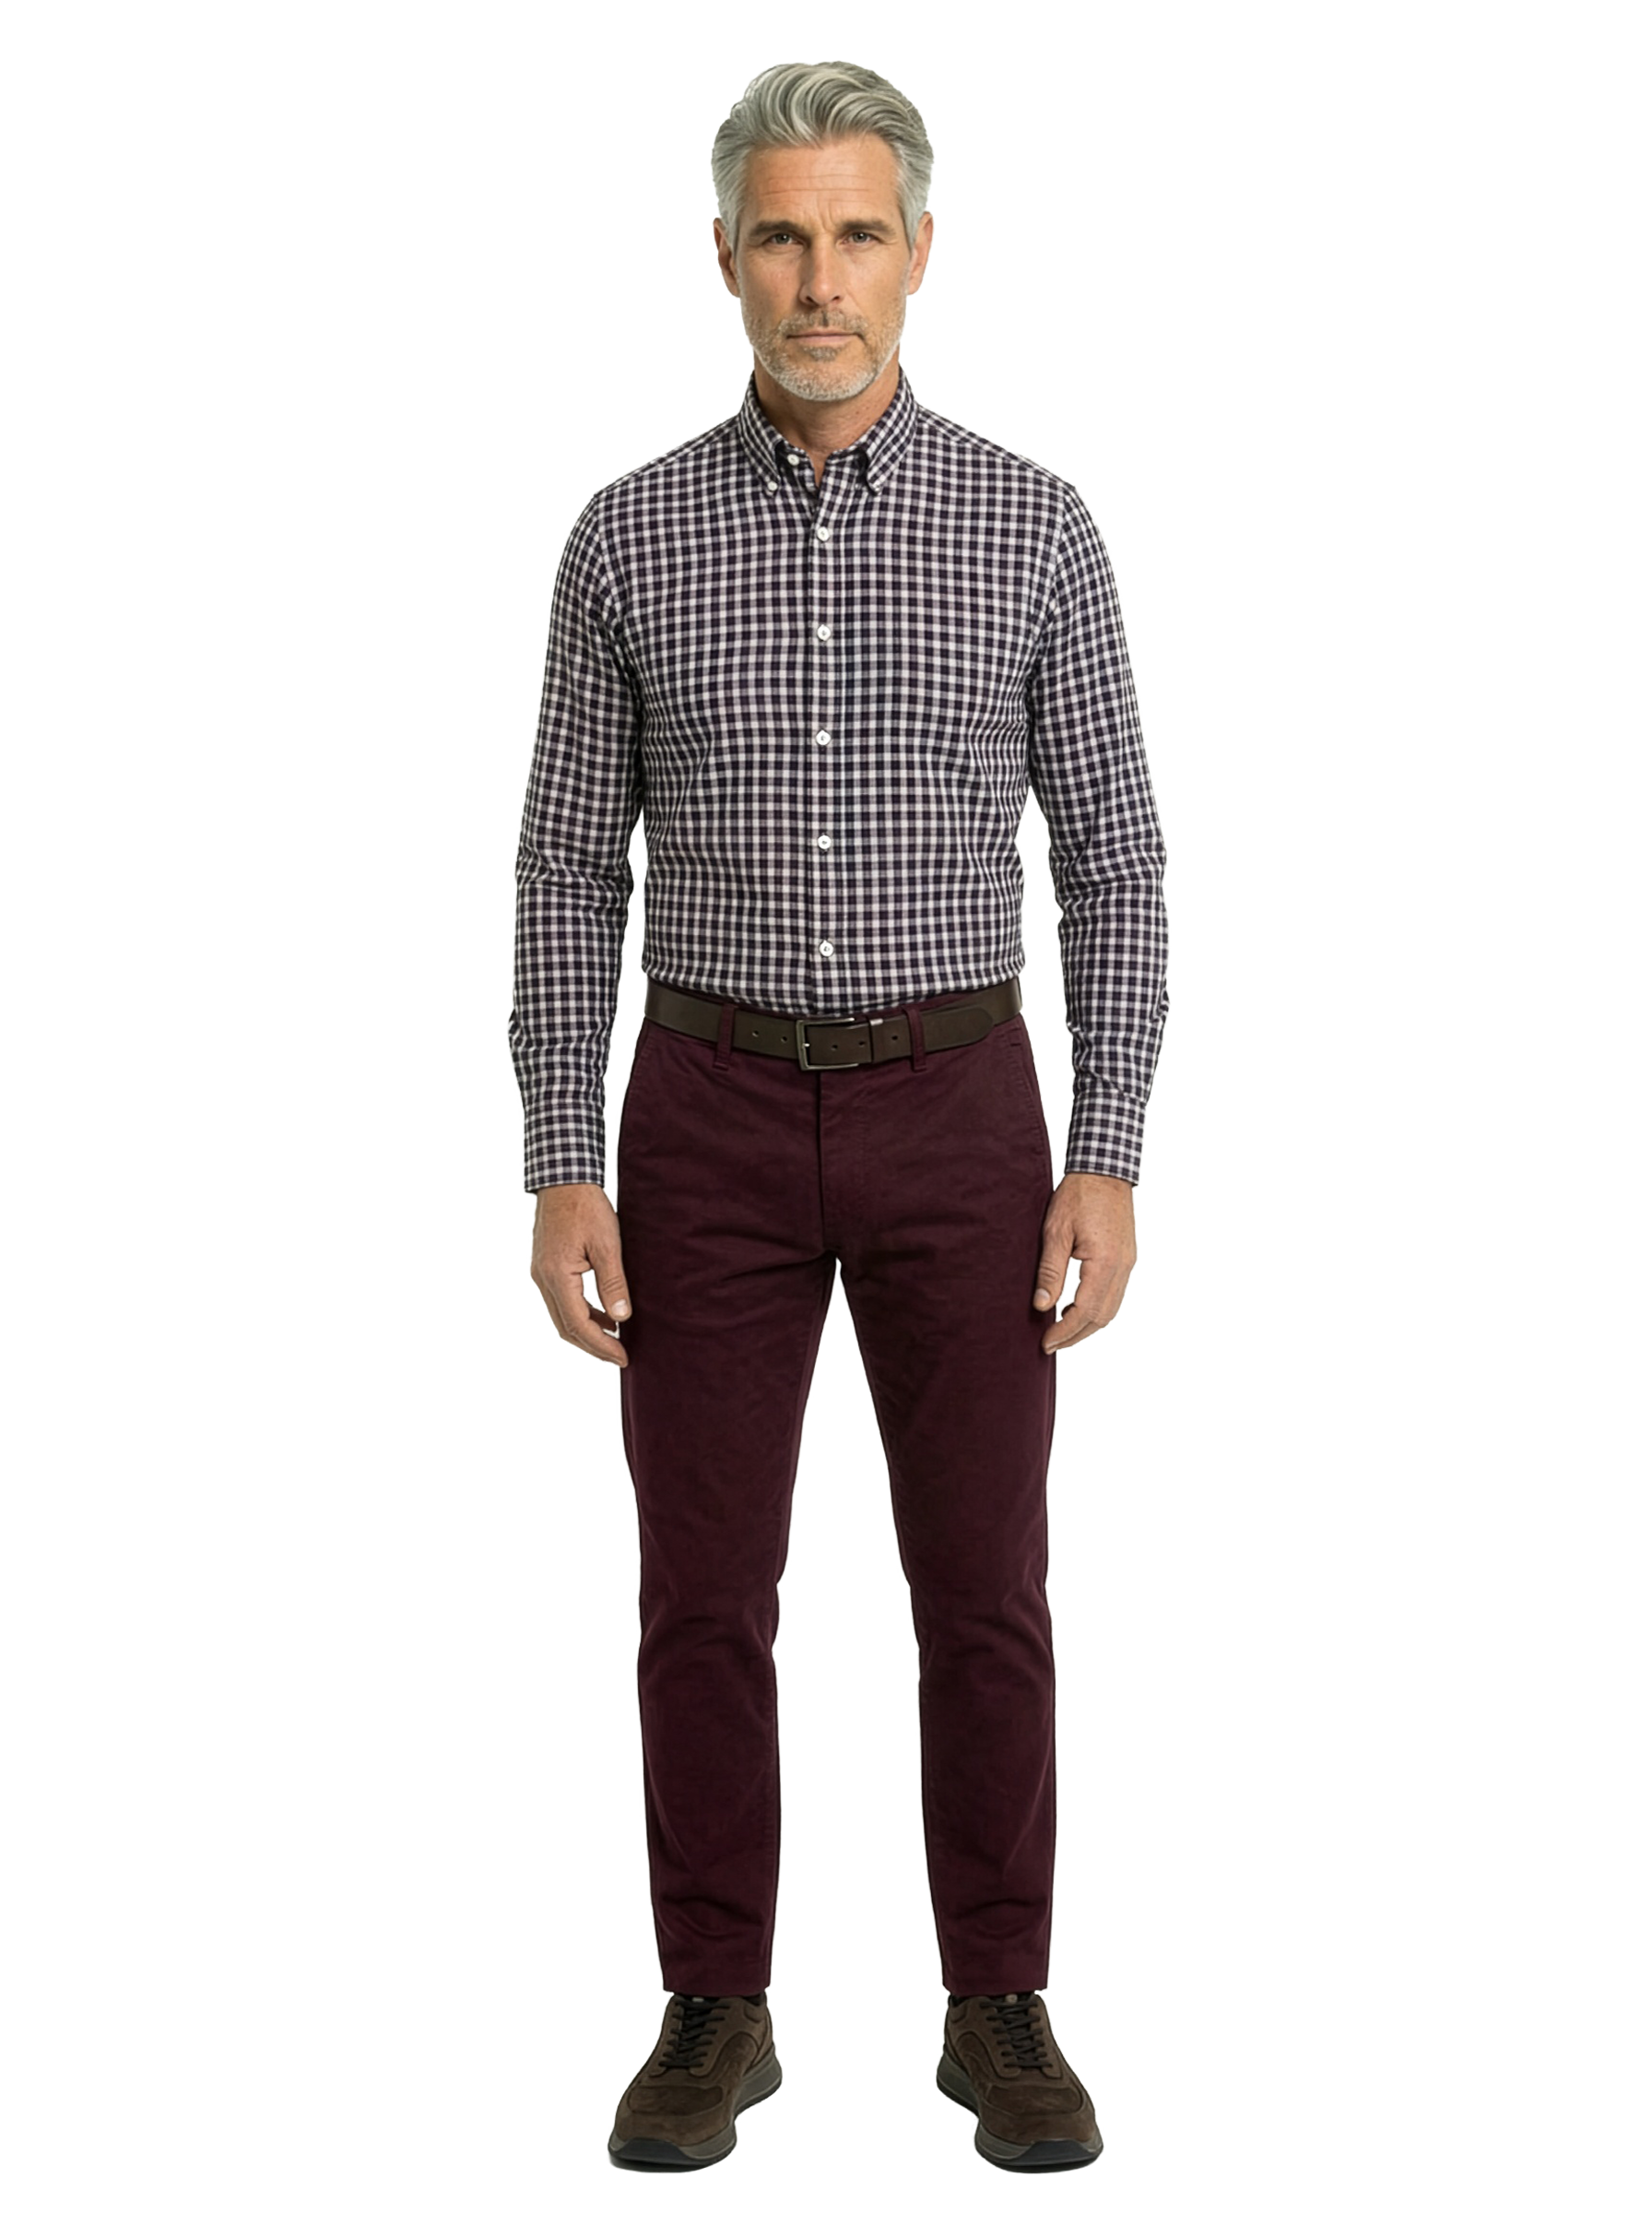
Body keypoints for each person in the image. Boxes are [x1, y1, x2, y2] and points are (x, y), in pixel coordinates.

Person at [508, 59, 1168, 2172]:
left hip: (961, 1106)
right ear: (722, 255)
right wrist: (560, 1156)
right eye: (781, 236)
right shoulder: (627, 536)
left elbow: (1116, 861)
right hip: (697, 1111)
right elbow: (565, 872)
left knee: (984, 1587)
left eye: (856, 233)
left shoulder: (1030, 528)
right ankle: (715, 2004)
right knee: (700, 1595)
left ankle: (997, 2005)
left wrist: (1105, 1146)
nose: (819, 279)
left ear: (917, 253)